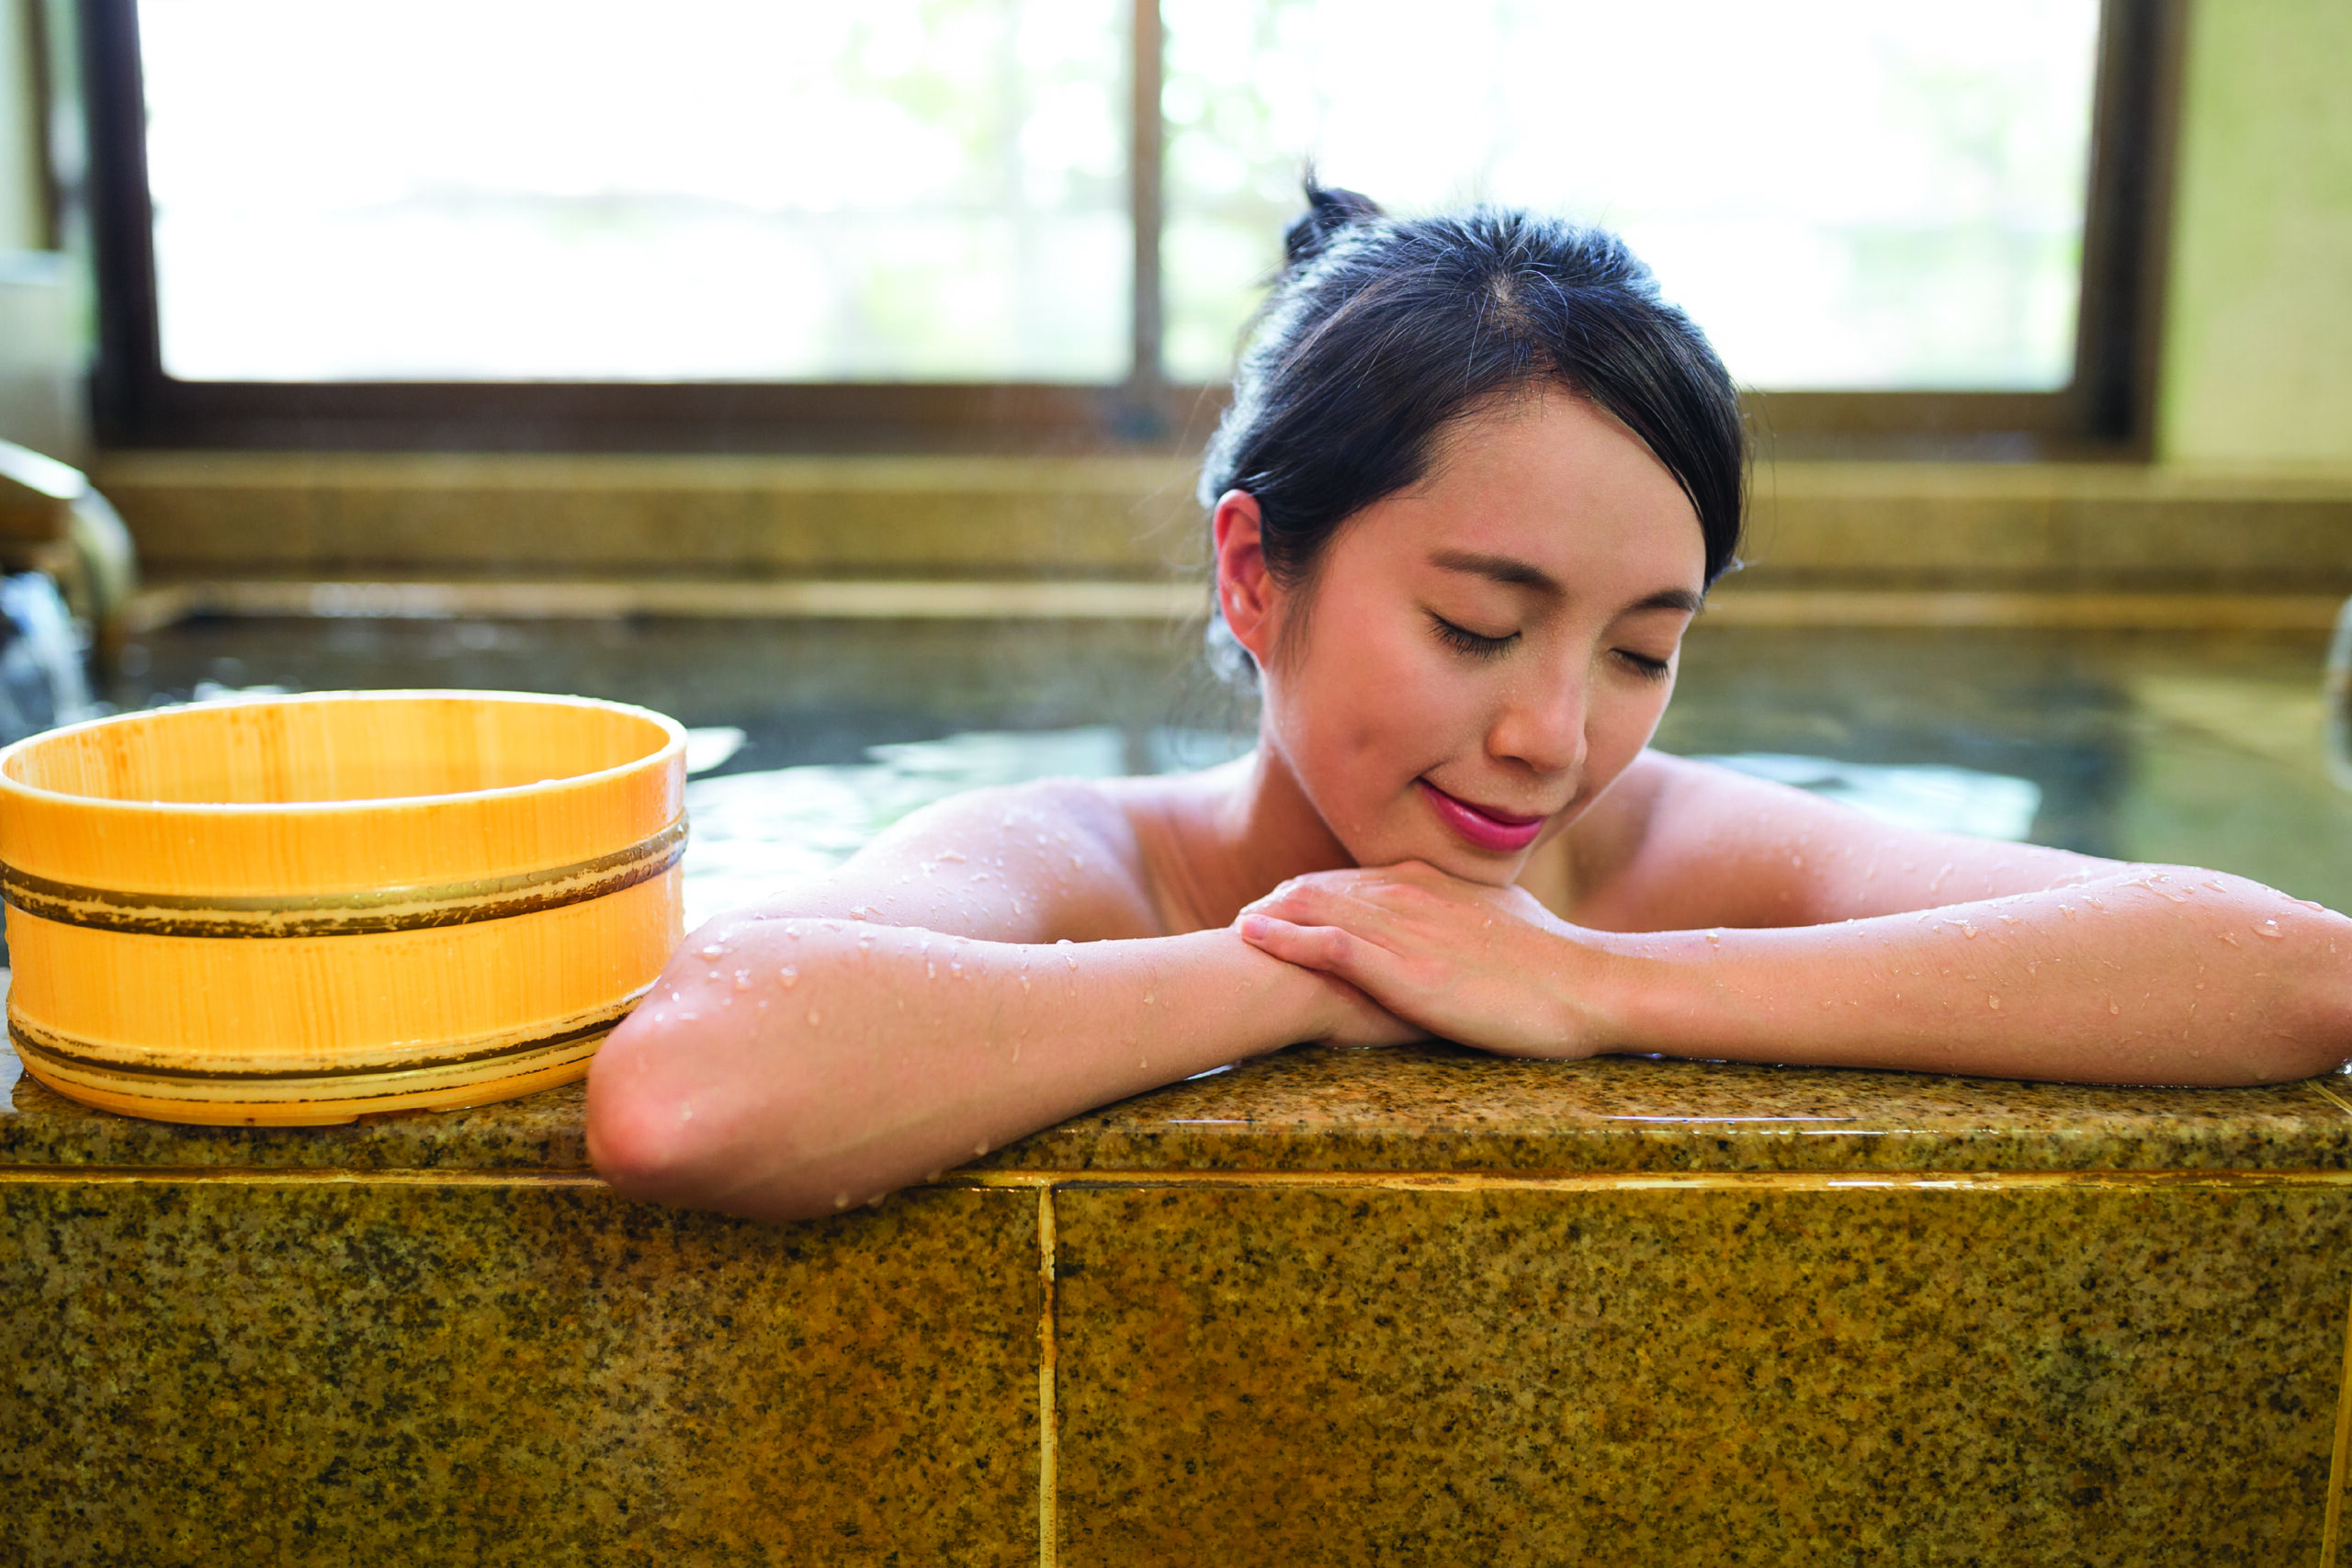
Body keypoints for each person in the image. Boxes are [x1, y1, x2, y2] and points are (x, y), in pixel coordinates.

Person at [587, 183, 2352, 1222]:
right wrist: (1307, 973)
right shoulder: (1069, 867)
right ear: (1254, 576)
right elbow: (692, 1090)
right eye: (1478, 622)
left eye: (1643, 649)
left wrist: (1596, 983)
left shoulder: (1674, 860)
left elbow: (2286, 972)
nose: (1558, 736)